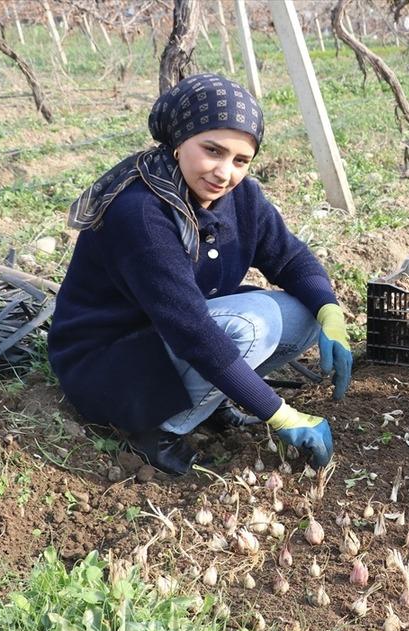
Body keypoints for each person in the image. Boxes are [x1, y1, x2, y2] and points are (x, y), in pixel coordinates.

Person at [48, 74, 352, 476]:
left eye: (240, 160)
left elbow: (290, 258)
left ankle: (205, 403)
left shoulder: (240, 197)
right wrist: (279, 414)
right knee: (251, 325)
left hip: (164, 342)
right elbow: (191, 328)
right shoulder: (140, 211)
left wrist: (330, 311)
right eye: (213, 150)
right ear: (178, 143)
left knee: (303, 313)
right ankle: (157, 429)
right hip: (111, 364)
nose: (224, 173)